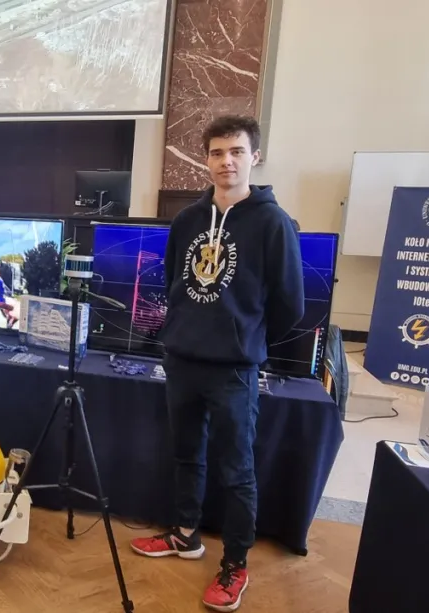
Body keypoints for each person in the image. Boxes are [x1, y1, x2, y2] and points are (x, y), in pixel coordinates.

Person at [129, 116, 304, 612]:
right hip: (183, 359)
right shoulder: (187, 220)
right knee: (186, 454)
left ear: (255, 157)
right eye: (217, 152)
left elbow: (290, 304)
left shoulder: (272, 222)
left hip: (233, 368)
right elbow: (175, 282)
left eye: (237, 152)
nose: (227, 161)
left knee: (236, 469)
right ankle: (185, 535)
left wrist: (246, 339)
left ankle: (235, 563)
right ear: (205, 159)